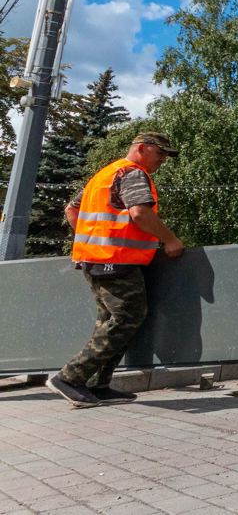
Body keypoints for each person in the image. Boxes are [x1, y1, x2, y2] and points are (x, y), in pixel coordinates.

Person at [46, 132, 184, 409]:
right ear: (143, 148)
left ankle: (97, 385)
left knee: (108, 322)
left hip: (95, 259)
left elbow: (72, 211)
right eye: (160, 154)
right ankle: (69, 378)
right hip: (117, 260)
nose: (162, 161)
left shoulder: (104, 175)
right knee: (128, 317)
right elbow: (140, 214)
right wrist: (170, 239)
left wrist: (93, 241)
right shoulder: (133, 173)